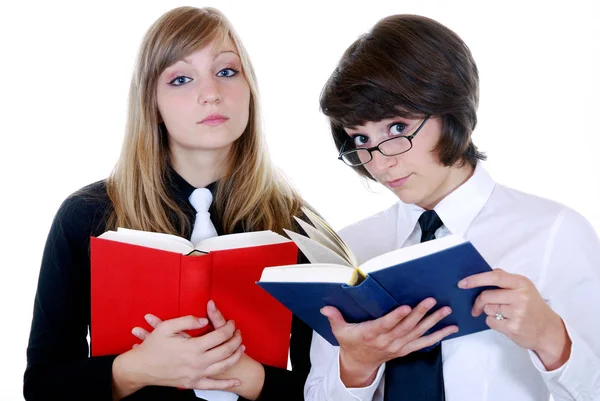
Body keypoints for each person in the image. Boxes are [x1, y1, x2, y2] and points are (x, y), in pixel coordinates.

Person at [304, 14, 600, 401]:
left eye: (396, 128)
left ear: (451, 110)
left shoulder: (555, 232)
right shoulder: (350, 248)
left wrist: (552, 340)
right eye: (360, 137)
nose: (379, 162)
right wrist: (356, 367)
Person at [24, 6, 312, 401]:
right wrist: (133, 370)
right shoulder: (87, 215)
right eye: (180, 78)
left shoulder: (297, 224)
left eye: (227, 71)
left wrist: (249, 377)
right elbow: (42, 386)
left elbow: (328, 390)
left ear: (250, 90)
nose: (211, 93)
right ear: (152, 105)